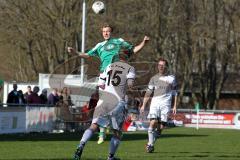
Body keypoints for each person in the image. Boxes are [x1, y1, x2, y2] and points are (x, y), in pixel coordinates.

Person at [68, 23, 149, 144]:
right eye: (104, 31)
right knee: (102, 102)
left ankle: (107, 127)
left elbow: (133, 50)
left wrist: (143, 43)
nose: (106, 33)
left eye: (108, 31)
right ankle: (102, 129)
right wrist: (75, 52)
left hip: (118, 75)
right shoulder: (99, 45)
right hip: (104, 75)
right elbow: (87, 55)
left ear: (111, 32)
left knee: (116, 103)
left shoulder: (119, 42)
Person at [73, 51, 136, 160]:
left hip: (103, 101)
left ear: (118, 57)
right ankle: (111, 157)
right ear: (128, 57)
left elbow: (101, 85)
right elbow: (130, 85)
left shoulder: (109, 66)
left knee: (93, 126)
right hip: (117, 103)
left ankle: (81, 145)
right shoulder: (130, 68)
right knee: (117, 132)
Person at [140, 58, 178, 153]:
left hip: (166, 104)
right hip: (155, 103)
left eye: (163, 65)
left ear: (166, 67)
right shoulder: (153, 78)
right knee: (153, 123)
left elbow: (175, 92)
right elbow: (148, 93)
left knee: (161, 128)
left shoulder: (171, 78)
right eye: (159, 65)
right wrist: (143, 105)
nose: (161, 67)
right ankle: (150, 145)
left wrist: (175, 106)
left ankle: (150, 143)